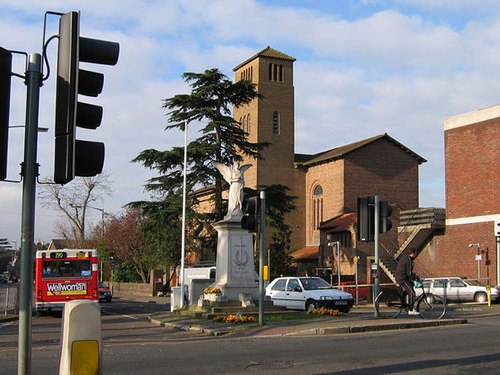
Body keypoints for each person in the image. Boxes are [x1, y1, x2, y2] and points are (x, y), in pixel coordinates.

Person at [396, 248, 419, 315]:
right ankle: (411, 310)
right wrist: (415, 277)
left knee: (411, 285)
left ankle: (402, 298)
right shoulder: (409, 260)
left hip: (402, 277)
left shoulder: (406, 258)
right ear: (413, 253)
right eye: (416, 253)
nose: (416, 255)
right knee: (412, 293)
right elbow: (409, 272)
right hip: (402, 278)